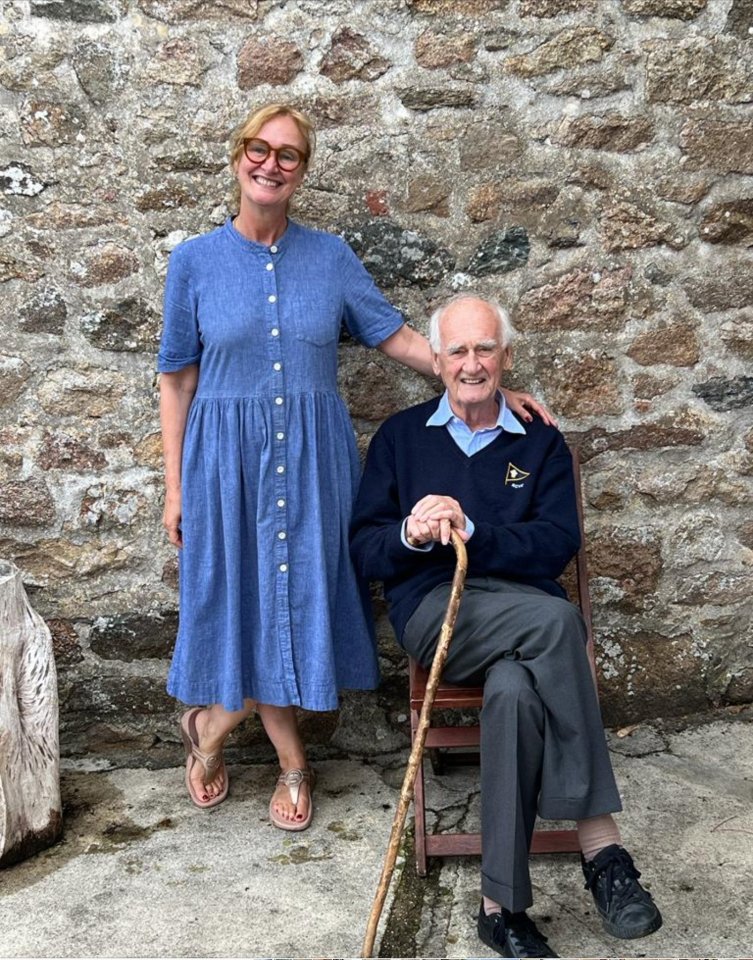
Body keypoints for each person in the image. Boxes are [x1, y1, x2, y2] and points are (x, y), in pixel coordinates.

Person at [158, 102, 552, 830]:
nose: (270, 164)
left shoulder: (331, 257)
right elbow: (177, 378)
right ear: (236, 156)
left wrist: (474, 378)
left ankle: (209, 730)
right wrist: (175, 486)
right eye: (258, 148)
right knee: (246, 602)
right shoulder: (194, 262)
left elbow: (392, 335)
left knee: (291, 601)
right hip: (225, 466)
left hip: (311, 465)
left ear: (302, 170)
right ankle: (291, 762)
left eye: (288, 154)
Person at [350, 295, 663, 957]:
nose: (471, 364)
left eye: (484, 349)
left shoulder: (538, 442)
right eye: (457, 351)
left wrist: (476, 531)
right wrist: (411, 531)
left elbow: (556, 544)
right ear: (435, 361)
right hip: (438, 613)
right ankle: (602, 850)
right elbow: (365, 551)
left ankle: (499, 908)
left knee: (517, 694)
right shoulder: (401, 440)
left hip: (520, 620)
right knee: (556, 620)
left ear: (505, 357)